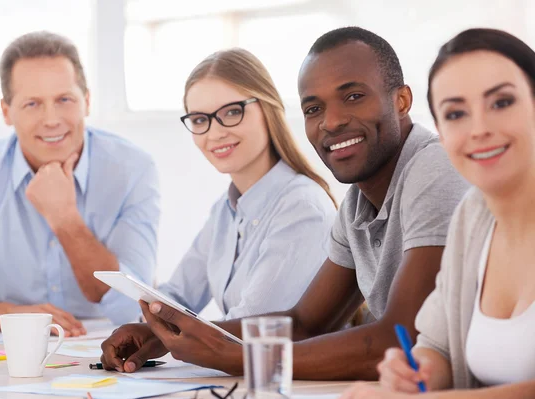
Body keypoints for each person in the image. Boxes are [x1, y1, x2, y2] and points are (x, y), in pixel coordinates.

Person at [100, 27, 469, 379]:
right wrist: (166, 337)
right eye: (313, 109)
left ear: (402, 100)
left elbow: (400, 339)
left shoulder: (435, 167)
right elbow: (303, 323)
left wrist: (236, 356)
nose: (332, 121)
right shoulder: (357, 200)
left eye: (353, 96)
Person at [342, 28, 535, 398]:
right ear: (442, 134)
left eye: (501, 103)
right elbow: (438, 344)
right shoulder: (473, 217)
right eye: (456, 113)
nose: (479, 129)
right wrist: (420, 372)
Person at [0, 31, 160, 336]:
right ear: (6, 112)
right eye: (32, 104)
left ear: (87, 102)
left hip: (105, 342)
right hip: (8, 341)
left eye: (64, 99)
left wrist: (64, 218)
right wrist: (6, 315)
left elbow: (132, 306)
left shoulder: (133, 169)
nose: (51, 119)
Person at [157, 48, 336, 321]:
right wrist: (147, 326)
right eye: (200, 120)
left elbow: (249, 328)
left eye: (231, 112)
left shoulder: (302, 208)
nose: (215, 133)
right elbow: (175, 296)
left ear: (268, 109)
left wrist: (166, 331)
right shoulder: (225, 210)